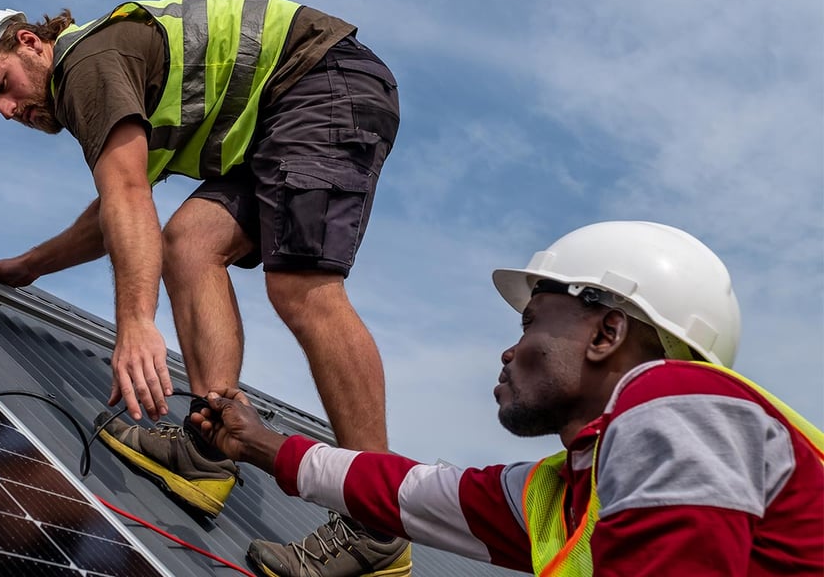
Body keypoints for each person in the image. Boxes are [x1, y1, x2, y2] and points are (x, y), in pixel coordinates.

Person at [0, 0, 407, 576]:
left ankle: (378, 523)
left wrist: (136, 322)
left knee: (302, 287)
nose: (8, 109)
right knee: (191, 243)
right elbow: (112, 209)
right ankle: (209, 449)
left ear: (29, 42)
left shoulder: (85, 65)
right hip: (279, 116)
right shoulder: (104, 73)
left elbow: (129, 195)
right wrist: (30, 265)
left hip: (322, 83)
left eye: (2, 85)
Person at [191, 221, 824, 576]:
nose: (506, 351)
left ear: (607, 332)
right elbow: (407, 492)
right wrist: (256, 442)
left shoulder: (678, 401)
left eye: (530, 324)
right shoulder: (568, 490)